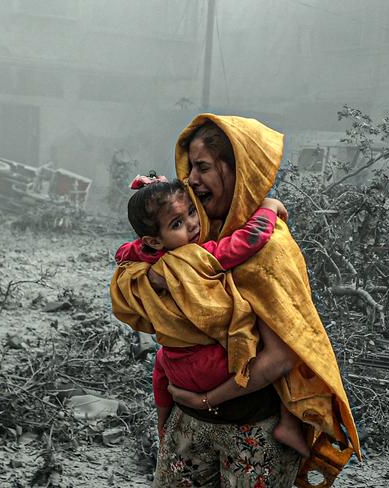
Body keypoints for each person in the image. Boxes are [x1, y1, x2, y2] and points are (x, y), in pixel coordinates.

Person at [111, 115, 360, 487]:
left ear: (239, 171)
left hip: (255, 433)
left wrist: (206, 398)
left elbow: (281, 355)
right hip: (189, 427)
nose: (192, 179)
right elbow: (131, 299)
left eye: (204, 167)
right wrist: (151, 276)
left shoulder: (267, 247)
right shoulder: (194, 237)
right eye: (191, 166)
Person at [115, 175, 309, 457]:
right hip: (213, 371)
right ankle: (289, 423)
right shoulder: (196, 257)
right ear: (155, 240)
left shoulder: (149, 260)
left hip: (177, 371)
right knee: (263, 348)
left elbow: (123, 253)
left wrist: (142, 249)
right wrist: (268, 208)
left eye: (191, 211)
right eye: (177, 224)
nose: (193, 224)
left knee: (161, 360)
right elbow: (245, 242)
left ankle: (162, 423)